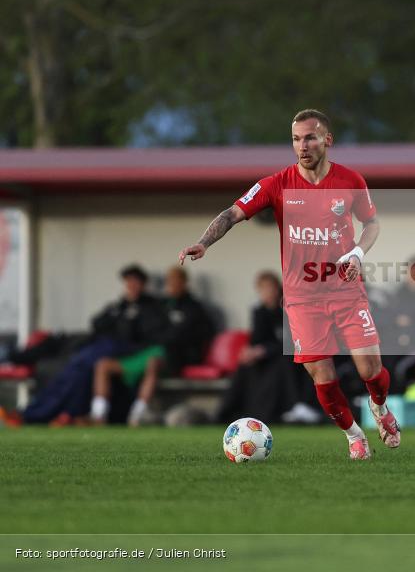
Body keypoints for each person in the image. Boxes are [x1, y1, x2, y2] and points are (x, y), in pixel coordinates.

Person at [178, 109, 398, 460]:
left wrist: (357, 253)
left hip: (345, 290)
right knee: (322, 377)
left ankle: (380, 407)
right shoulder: (276, 184)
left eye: (309, 137)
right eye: (296, 139)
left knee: (370, 370)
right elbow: (232, 213)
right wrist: (204, 242)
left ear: (327, 139)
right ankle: (355, 437)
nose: (302, 146)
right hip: (302, 299)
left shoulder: (350, 181)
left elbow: (372, 225)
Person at [20, 264, 167, 425]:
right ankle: (43, 413)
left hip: (129, 353)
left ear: (142, 284)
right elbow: (97, 323)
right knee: (73, 368)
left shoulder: (151, 307)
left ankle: (54, 414)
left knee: (80, 370)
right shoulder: (118, 306)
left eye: (134, 282)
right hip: (105, 348)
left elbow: (145, 335)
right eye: (128, 282)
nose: (131, 286)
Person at [90, 266, 215, 426]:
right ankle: (98, 415)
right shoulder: (158, 306)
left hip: (175, 357)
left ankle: (137, 415)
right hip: (147, 352)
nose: (171, 285)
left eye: (176, 281)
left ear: (184, 283)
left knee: (152, 362)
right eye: (169, 282)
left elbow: (197, 336)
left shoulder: (193, 308)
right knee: (103, 365)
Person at [217, 271, 320, 425]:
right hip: (266, 358)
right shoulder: (259, 312)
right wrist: (250, 351)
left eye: (270, 288)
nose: (267, 293)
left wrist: (264, 350)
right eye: (263, 289)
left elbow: (290, 340)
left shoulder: (288, 310)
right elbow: (257, 339)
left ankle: (293, 406)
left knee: (284, 362)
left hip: (286, 356)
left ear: (277, 289)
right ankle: (226, 413)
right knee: (244, 367)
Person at [380, 255, 415, 392]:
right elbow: (390, 316)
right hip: (396, 345)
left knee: (405, 370)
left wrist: (410, 319)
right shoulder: (400, 292)